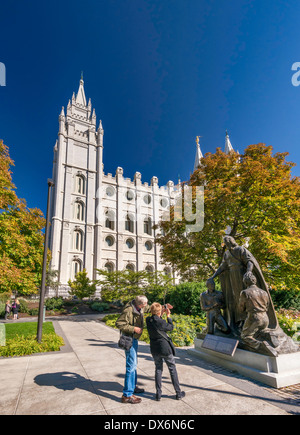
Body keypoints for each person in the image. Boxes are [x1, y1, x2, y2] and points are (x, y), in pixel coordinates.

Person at [210, 236, 278, 333]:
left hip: (241, 275)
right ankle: (240, 321)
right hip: (232, 278)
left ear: (231, 242)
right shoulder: (226, 253)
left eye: (227, 242)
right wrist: (213, 276)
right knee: (236, 299)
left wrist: (249, 272)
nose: (226, 244)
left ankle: (248, 320)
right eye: (225, 242)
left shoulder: (240, 249)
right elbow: (223, 266)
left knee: (246, 297)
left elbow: (250, 261)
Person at [146, 302, 185, 401]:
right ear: (160, 312)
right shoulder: (162, 322)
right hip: (165, 349)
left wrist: (161, 311)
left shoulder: (148, 320)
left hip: (155, 349)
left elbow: (156, 317)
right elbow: (170, 327)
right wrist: (168, 316)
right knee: (172, 369)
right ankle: (178, 393)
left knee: (158, 370)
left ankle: (158, 394)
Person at [116, 295, 150, 404]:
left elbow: (149, 308)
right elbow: (119, 323)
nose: (146, 306)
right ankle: (127, 395)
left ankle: (133, 387)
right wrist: (133, 328)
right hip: (129, 339)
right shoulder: (128, 310)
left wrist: (163, 307)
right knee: (131, 366)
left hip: (134, 339)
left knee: (134, 364)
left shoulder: (139, 307)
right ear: (139, 304)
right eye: (145, 304)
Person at [238, 273, 277, 357]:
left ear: (245, 282)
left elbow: (241, 307)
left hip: (254, 317)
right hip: (265, 317)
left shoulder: (245, 292)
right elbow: (267, 305)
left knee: (245, 336)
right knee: (260, 330)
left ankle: (261, 345)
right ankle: (269, 334)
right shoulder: (264, 292)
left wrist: (242, 312)